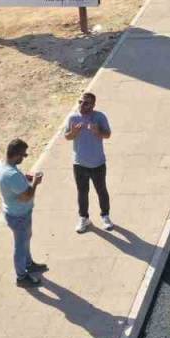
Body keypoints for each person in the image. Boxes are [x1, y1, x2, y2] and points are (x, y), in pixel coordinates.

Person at [0, 139, 47, 286]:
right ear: (16, 154)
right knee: (20, 245)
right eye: (23, 155)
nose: (24, 158)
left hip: (14, 212)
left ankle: (29, 263)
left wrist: (24, 179)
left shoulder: (0, 165)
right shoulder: (11, 175)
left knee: (25, 240)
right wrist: (35, 182)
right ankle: (21, 277)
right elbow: (26, 196)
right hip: (19, 215)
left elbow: (13, 184)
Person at [65, 92, 113, 233]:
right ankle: (83, 218)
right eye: (80, 101)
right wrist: (73, 133)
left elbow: (108, 135)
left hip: (98, 163)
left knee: (101, 190)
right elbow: (67, 137)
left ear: (93, 105)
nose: (81, 105)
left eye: (86, 103)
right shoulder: (72, 117)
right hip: (79, 163)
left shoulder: (100, 117)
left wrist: (97, 131)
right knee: (82, 192)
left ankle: (105, 216)